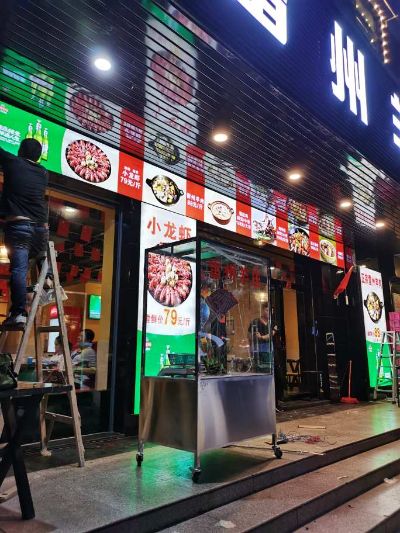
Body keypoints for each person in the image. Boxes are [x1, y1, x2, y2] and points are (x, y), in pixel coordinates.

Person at [0, 139, 51, 325]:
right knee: (36, 258)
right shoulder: (43, 172)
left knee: (19, 270)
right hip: (40, 230)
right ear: (38, 156)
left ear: (21, 151)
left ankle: (19, 313)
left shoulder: (13, 162)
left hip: (20, 227)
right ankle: (48, 277)